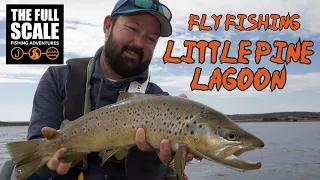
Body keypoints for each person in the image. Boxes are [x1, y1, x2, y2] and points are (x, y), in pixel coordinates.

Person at [27, 0, 200, 180]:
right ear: (108, 25)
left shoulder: (162, 102)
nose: (140, 43)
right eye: (133, 29)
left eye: (151, 39)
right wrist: (49, 161)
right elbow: (33, 162)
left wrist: (167, 160)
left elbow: (165, 171)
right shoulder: (58, 78)